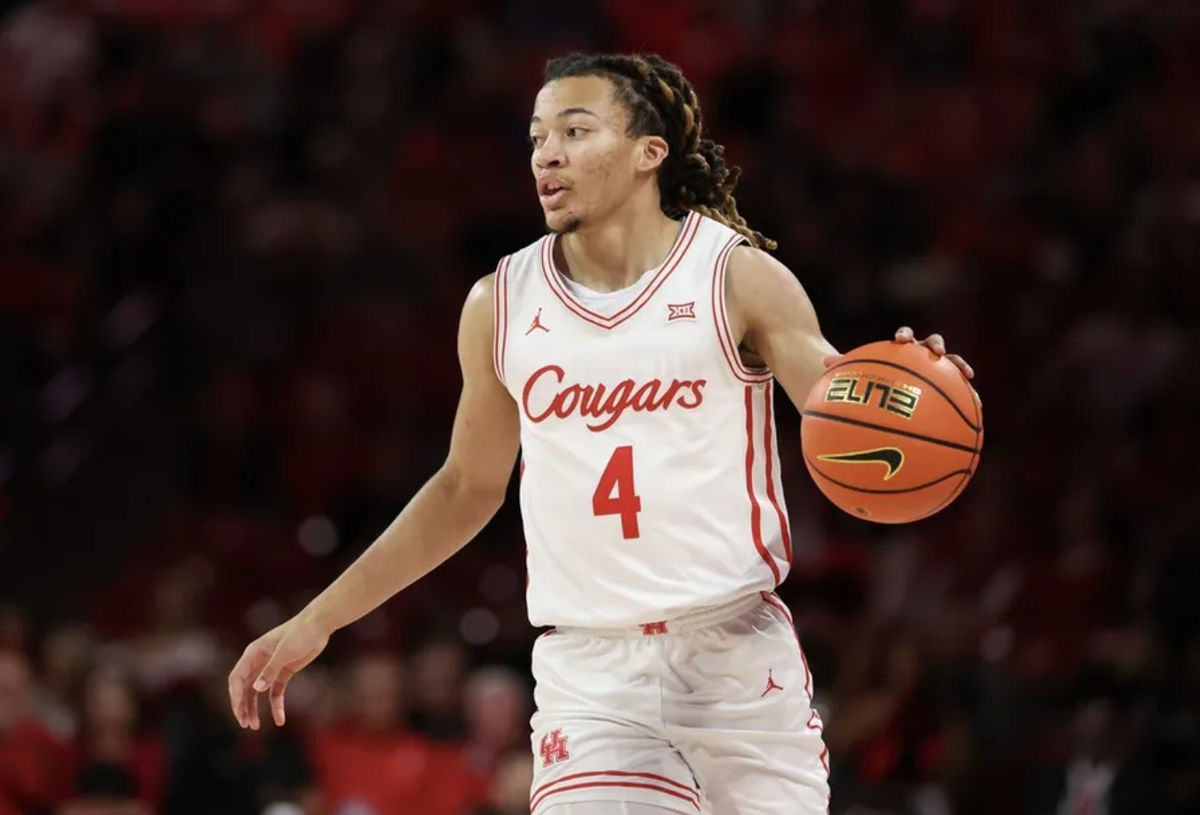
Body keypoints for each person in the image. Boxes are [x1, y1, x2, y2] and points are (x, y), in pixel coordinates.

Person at [228, 52, 974, 814]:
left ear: (651, 153)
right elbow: (465, 486)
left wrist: (907, 387)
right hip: (592, 672)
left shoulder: (735, 278)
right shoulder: (501, 303)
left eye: (575, 131)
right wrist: (317, 618)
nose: (547, 153)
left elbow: (836, 398)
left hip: (739, 657)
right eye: (536, 137)